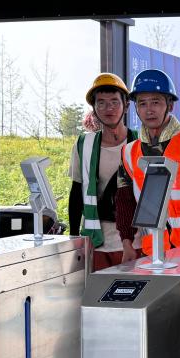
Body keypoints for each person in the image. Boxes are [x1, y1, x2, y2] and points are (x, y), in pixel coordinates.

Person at [115, 68, 180, 261]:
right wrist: (127, 243)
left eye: (156, 102)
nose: (149, 110)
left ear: (170, 105)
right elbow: (124, 202)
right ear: (136, 108)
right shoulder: (129, 152)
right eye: (142, 103)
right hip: (155, 253)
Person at [68, 73, 137, 271]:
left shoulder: (141, 143)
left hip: (135, 243)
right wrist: (74, 239)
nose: (109, 108)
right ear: (94, 109)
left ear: (126, 106)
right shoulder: (84, 144)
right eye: (101, 103)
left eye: (115, 102)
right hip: (96, 243)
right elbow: (76, 192)